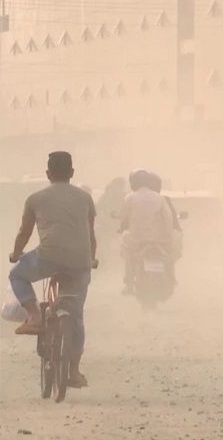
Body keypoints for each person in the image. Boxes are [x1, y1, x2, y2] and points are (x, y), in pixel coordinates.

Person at [8, 151, 97, 388]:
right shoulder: (85, 198)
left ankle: (35, 316)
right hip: (80, 261)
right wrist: (93, 258)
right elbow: (90, 234)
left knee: (17, 274)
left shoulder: (35, 198)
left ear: (48, 174)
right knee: (76, 315)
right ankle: (74, 372)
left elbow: (23, 233)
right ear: (72, 173)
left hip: (47, 258)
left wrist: (16, 254)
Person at [119, 169, 175, 294]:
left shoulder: (130, 198)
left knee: (128, 256)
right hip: (158, 239)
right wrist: (168, 235)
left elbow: (123, 216)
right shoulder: (159, 198)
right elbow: (168, 218)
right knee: (168, 256)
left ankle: (129, 284)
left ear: (133, 183)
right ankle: (170, 279)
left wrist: (122, 226)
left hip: (136, 240)